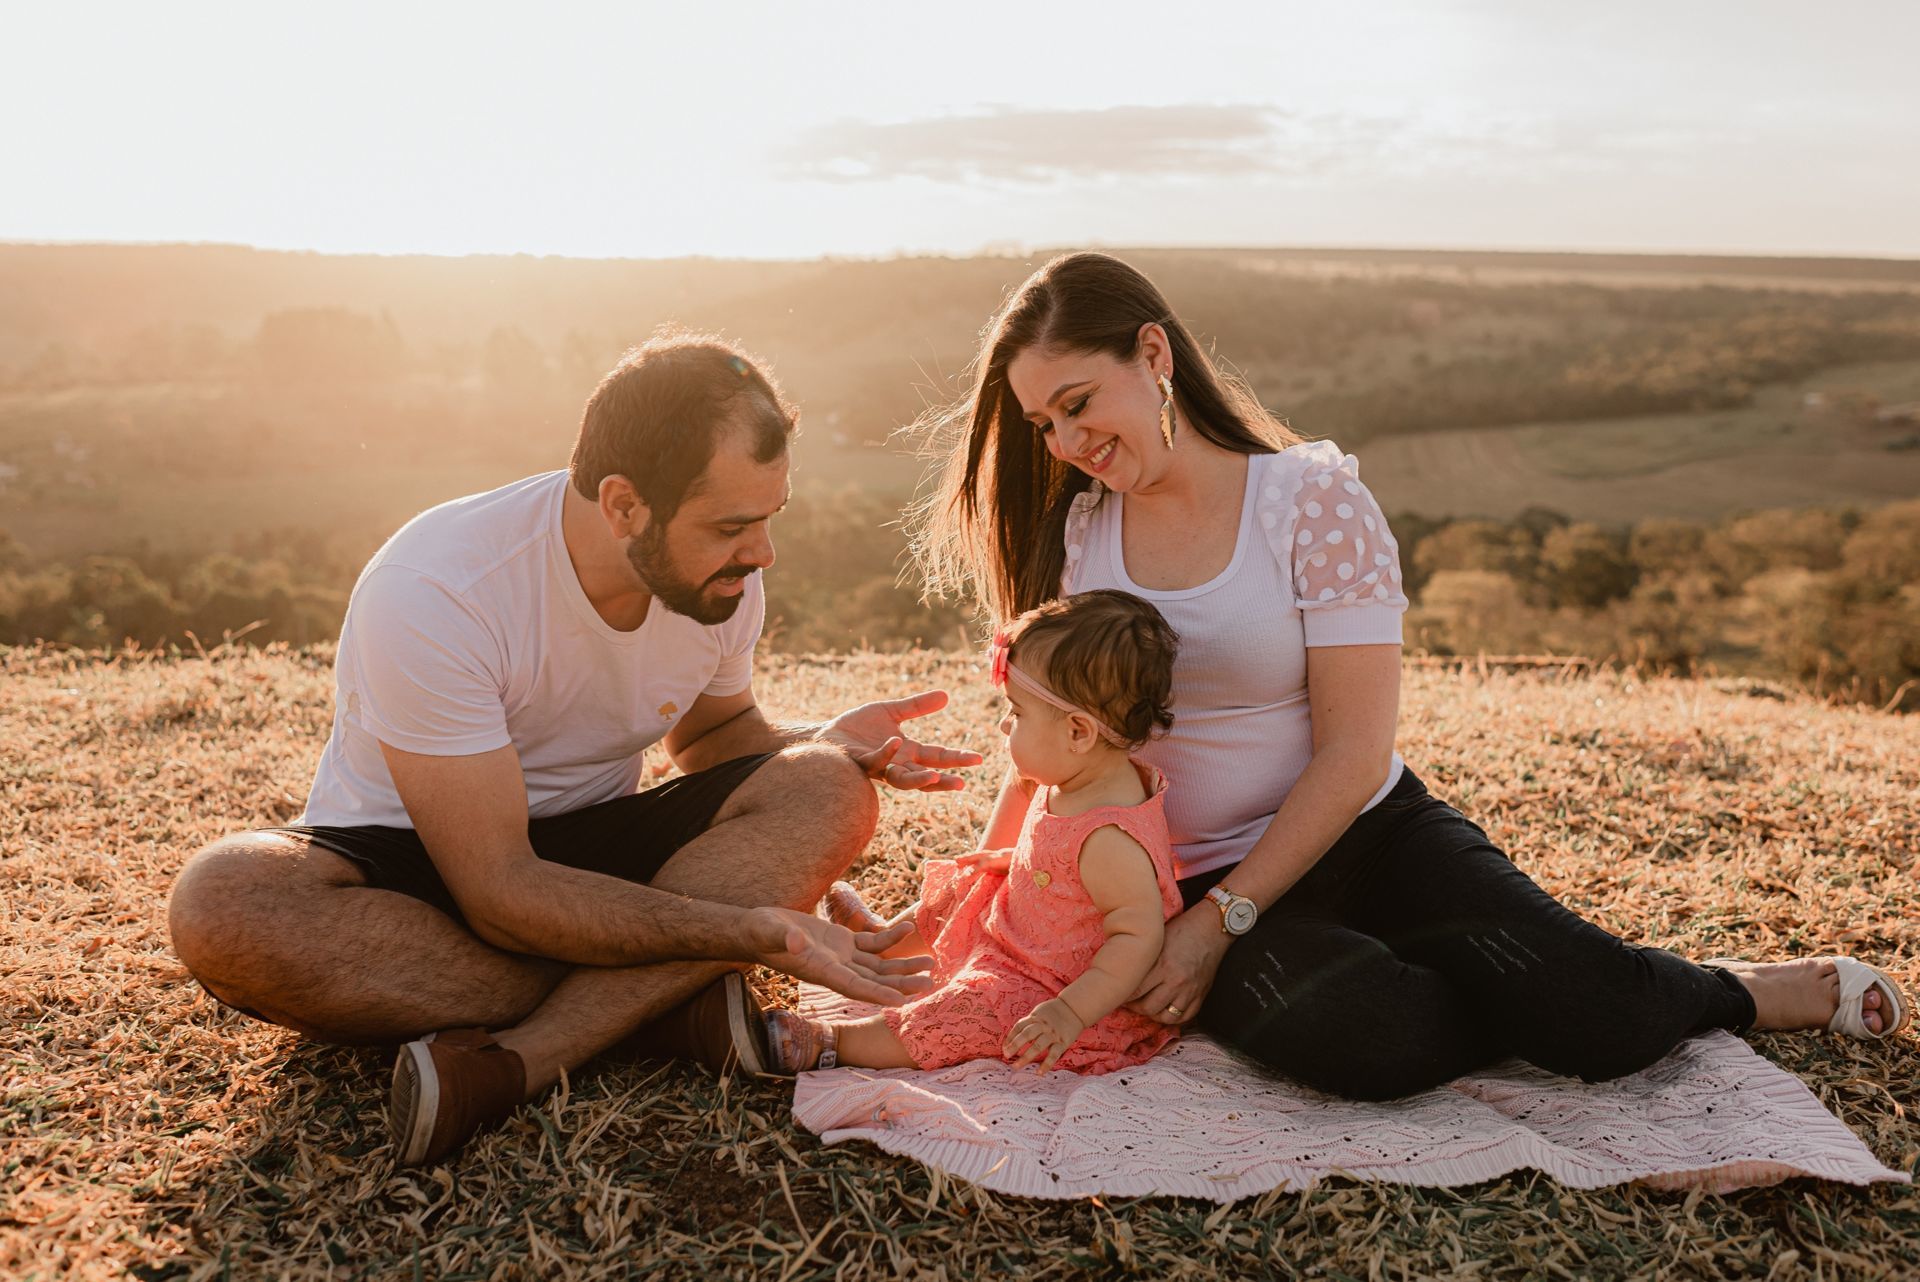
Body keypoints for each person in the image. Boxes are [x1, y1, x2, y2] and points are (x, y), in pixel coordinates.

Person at [901, 251, 1908, 1101]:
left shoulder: (1309, 501)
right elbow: (1048, 746)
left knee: (1601, 1023)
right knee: (1370, 1042)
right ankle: (1530, 990)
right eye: (1043, 425)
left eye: (1078, 404)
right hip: (1185, 874)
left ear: (1152, 355)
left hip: (1364, 833)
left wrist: (1220, 925)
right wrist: (985, 894)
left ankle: (1734, 988)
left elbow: (1353, 754)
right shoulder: (1080, 538)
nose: (1069, 444)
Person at [167, 332, 981, 1167]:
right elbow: (499, 891)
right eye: (733, 525)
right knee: (224, 904)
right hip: (417, 870)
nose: (762, 554)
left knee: (829, 789)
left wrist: (826, 740)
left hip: (599, 855)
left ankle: (523, 1061)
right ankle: (665, 1011)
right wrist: (742, 934)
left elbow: (708, 739)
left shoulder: (717, 577)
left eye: (769, 519)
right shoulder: (439, 589)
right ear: (624, 504)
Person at [764, 589, 1185, 1076]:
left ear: (1078, 733)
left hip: (1053, 987)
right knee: (969, 888)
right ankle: (879, 943)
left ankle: (836, 1041)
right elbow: (1068, 876)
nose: (1006, 725)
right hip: (1022, 929)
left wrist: (1069, 1012)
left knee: (972, 1012)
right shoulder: (1076, 779)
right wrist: (1017, 862)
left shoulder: (1110, 838)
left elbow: (1137, 937)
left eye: (1018, 712)